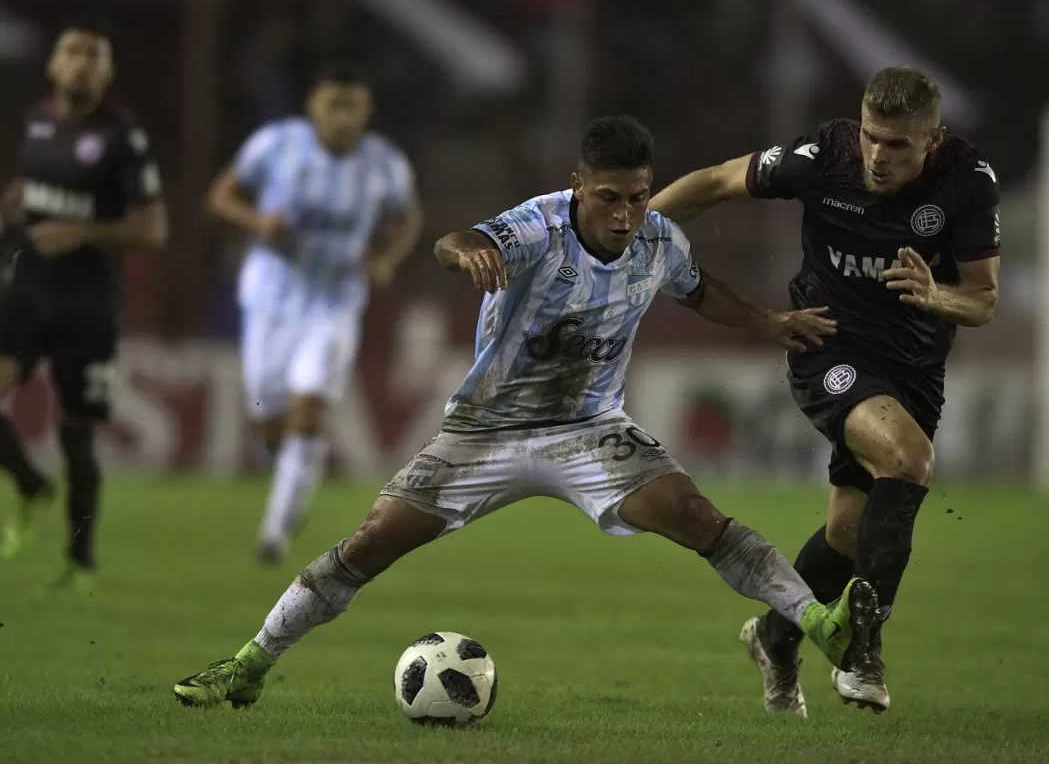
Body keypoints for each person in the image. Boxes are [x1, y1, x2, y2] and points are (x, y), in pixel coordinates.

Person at [172, 114, 882, 708]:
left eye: (637, 197)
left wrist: (764, 320)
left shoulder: (660, 239)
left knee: (698, 517)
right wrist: (468, 256)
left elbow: (698, 291)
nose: (627, 214)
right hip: (484, 432)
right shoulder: (540, 226)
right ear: (578, 187)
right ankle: (248, 665)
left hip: (590, 431)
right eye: (610, 197)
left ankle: (818, 623)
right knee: (369, 545)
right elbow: (460, 241)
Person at [649, 66, 1000, 716]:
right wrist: (634, 224)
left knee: (847, 531)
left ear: (934, 141)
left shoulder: (967, 184)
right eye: (871, 137)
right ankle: (863, 653)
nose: (878, 155)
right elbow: (722, 179)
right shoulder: (823, 159)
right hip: (827, 346)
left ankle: (775, 638)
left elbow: (982, 301)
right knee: (910, 459)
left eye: (897, 145)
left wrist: (936, 295)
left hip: (913, 371)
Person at [205, 65, 424, 564]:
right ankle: (290, 478)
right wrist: (258, 222)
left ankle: (276, 530)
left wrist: (386, 258)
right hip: (269, 297)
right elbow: (220, 197)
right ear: (313, 107)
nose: (343, 118)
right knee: (268, 417)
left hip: (335, 301)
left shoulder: (385, 163)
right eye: (333, 106)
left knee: (309, 410)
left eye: (353, 107)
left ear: (366, 112)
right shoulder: (275, 145)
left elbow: (408, 216)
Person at [0, 18, 169, 588]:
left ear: (108, 73)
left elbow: (152, 229)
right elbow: (27, 191)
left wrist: (82, 232)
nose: (81, 63)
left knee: (75, 433)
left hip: (87, 305)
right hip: (28, 291)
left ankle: (79, 561)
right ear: (53, 65)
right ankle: (28, 484)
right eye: (72, 52)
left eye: (94, 56)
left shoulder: (124, 137)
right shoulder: (38, 122)